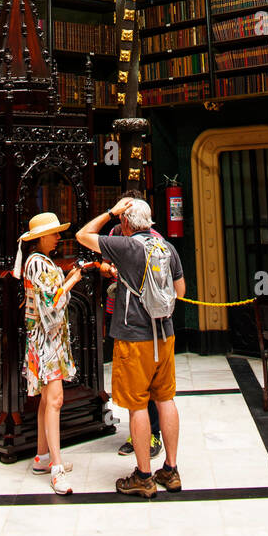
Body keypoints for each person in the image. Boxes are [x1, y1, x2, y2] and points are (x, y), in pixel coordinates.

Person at [76, 197, 185, 498]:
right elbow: (181, 290)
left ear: (126, 222)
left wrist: (110, 211)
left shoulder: (127, 247)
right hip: (165, 335)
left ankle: (143, 476)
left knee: (137, 405)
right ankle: (171, 470)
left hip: (135, 338)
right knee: (166, 399)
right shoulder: (167, 248)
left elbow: (82, 235)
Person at [13, 210, 87, 495]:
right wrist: (72, 280)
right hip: (46, 343)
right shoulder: (38, 264)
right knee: (55, 400)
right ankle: (56, 468)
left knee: (47, 400)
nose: (59, 237)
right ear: (41, 238)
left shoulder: (38, 262)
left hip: (44, 341)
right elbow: (52, 304)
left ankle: (43, 457)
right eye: (54, 233)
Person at [103, 223, 162, 459]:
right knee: (131, 384)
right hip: (120, 315)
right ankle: (138, 434)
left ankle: (152, 434)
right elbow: (105, 262)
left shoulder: (156, 241)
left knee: (148, 386)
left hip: (146, 321)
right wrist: (108, 270)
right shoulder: (115, 235)